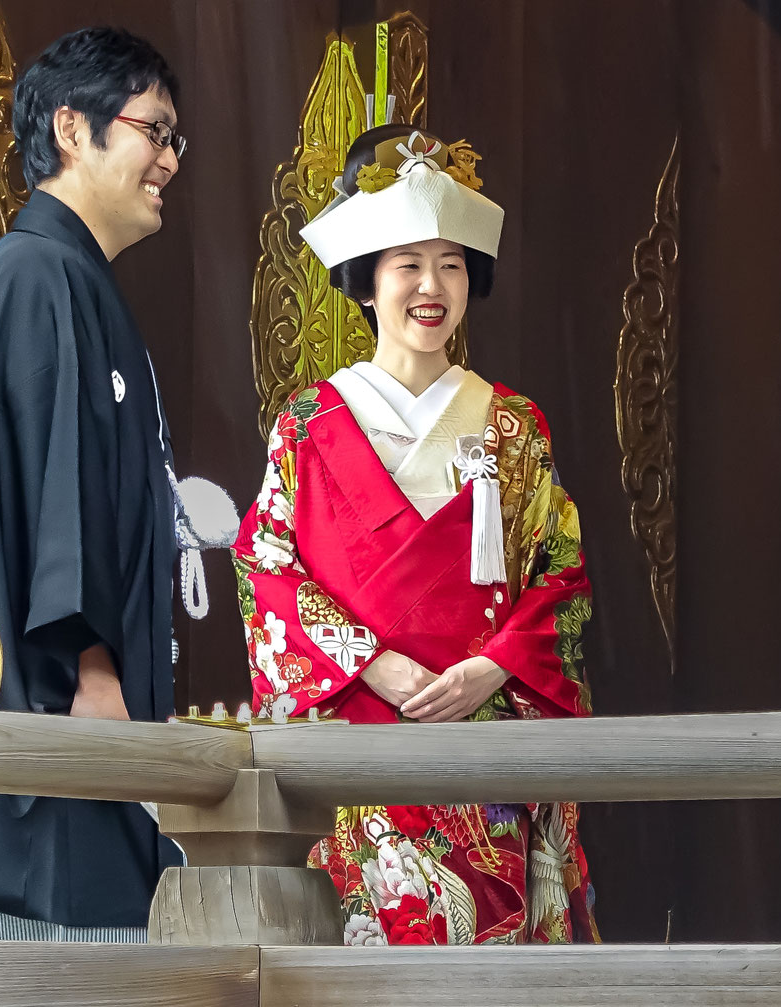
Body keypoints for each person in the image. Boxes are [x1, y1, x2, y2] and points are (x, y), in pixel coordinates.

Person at [231, 124, 598, 946]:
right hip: (359, 755)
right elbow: (267, 572)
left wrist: (493, 664)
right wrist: (372, 660)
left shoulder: (514, 425)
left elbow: (560, 576)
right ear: (366, 281)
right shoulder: (307, 424)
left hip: (482, 761)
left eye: (452, 263)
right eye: (408, 263)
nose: (431, 286)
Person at [0, 27, 188, 941]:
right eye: (153, 130)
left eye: (175, 139)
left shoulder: (61, 278)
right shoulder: (40, 276)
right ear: (71, 128)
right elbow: (63, 504)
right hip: (47, 754)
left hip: (58, 752)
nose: (169, 158)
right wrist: (93, 673)